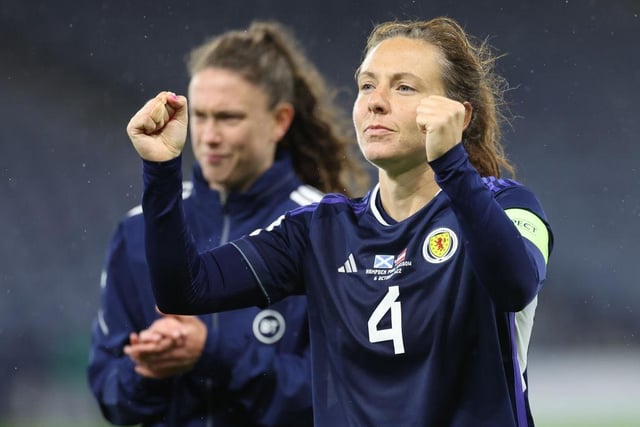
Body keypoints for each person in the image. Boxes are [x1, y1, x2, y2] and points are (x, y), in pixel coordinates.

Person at [127, 16, 554, 427]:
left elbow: (514, 285)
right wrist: (162, 171)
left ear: (458, 115)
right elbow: (185, 289)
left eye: (404, 87)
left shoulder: (508, 206)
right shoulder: (320, 229)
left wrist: (452, 166)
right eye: (366, 85)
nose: (376, 100)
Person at [88, 20, 367, 427]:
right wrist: (147, 371)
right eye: (200, 116)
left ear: (280, 121)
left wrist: (215, 352)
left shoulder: (328, 229)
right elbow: (111, 396)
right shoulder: (139, 231)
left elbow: (346, 394)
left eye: (229, 118)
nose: (209, 136)